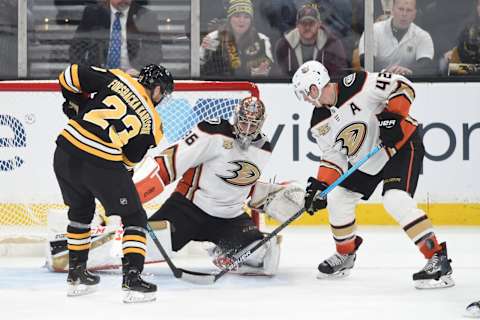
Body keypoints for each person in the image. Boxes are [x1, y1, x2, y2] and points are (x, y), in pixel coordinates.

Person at [291, 60, 454, 289]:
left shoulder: (357, 84)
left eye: (306, 92)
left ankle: (438, 259)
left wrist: (394, 117)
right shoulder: (318, 122)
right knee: (338, 198)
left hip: (400, 146)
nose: (306, 99)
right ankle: (345, 255)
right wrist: (320, 185)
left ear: (316, 85)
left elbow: (403, 85)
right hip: (368, 159)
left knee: (395, 199)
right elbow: (334, 157)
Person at [132, 97, 296, 276]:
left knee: (264, 259)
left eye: (253, 124)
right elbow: (172, 161)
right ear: (236, 117)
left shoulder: (264, 148)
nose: (247, 129)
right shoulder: (212, 131)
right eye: (244, 122)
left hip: (229, 219)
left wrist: (268, 195)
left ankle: (221, 251)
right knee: (136, 250)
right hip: (187, 211)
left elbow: (242, 184)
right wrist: (134, 194)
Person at [54, 63, 174, 303]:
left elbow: (69, 75)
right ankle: (132, 280)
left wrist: (79, 104)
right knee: (135, 217)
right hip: (99, 162)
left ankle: (76, 276)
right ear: (158, 89)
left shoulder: (118, 78)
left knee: (80, 211)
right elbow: (129, 159)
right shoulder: (153, 123)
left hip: (64, 152)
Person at [69, 0, 163, 75]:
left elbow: (154, 51)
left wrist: (138, 70)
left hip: (133, 78)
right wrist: (86, 72)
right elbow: (76, 49)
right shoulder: (93, 14)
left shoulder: (145, 16)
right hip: (99, 77)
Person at [199, 0, 274, 78]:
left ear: (251, 21)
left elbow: (271, 70)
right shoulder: (213, 38)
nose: (241, 21)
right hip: (220, 86)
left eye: (246, 17)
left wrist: (261, 74)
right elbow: (198, 68)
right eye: (237, 16)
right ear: (229, 18)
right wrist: (209, 54)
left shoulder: (262, 40)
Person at [358, 0, 434, 76]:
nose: (404, 14)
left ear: (414, 14)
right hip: (375, 81)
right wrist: (386, 73)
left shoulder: (423, 36)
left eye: (409, 10)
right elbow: (364, 60)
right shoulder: (373, 30)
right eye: (400, 9)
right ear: (393, 10)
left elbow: (426, 65)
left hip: (409, 83)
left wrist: (409, 71)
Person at [274, 4, 348, 78]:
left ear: (319, 24)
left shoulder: (333, 44)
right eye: (303, 23)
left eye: (311, 23)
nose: (307, 27)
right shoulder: (284, 45)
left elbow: (340, 75)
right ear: (297, 25)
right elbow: (280, 75)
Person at [442, 0, 480, 75]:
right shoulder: (467, 27)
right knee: (443, 64)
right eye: (479, 5)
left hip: (471, 71)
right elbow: (454, 69)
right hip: (468, 75)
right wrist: (452, 54)